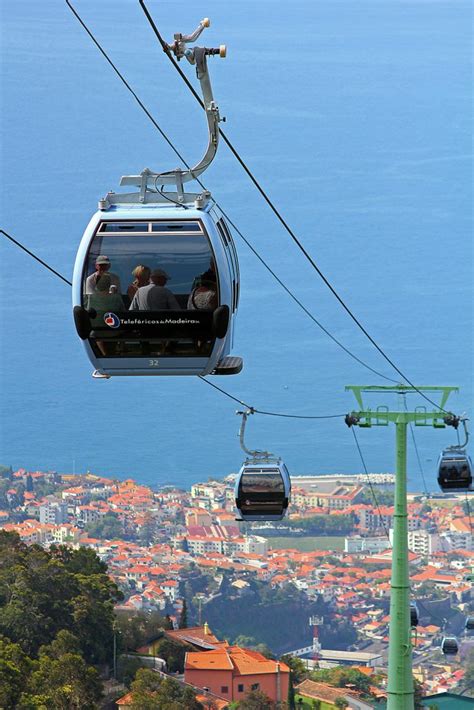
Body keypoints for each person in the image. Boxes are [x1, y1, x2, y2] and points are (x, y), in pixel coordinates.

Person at [86, 274, 125, 356]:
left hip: (97, 331)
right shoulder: (116, 297)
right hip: (114, 331)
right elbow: (123, 312)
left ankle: (105, 354)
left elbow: (89, 313)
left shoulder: (91, 298)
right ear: (109, 285)